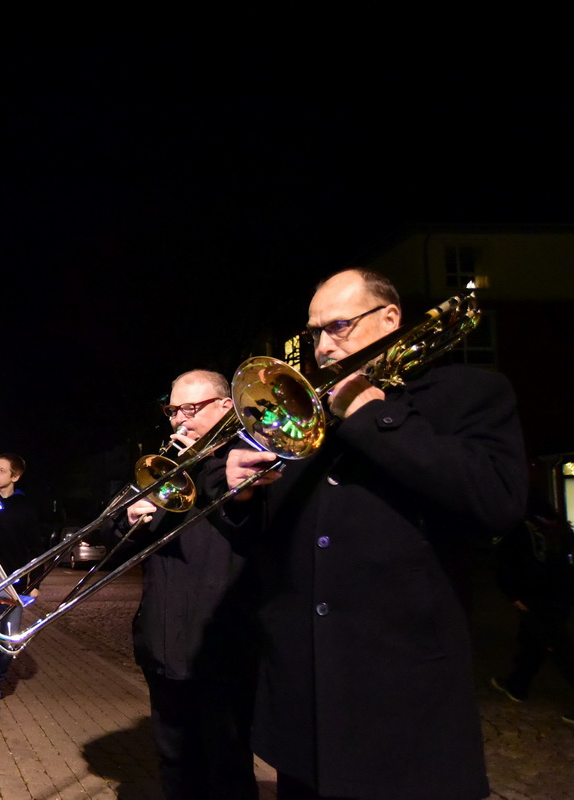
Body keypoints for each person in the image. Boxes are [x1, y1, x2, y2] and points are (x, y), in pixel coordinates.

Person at [225, 268, 528, 799]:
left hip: (402, 699)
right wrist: (245, 498)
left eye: (338, 326)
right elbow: (274, 542)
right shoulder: (305, 417)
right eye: (313, 333)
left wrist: (373, 414)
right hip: (304, 700)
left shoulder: (467, 392)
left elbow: (496, 501)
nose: (321, 346)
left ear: (389, 318)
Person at [122, 370, 258, 799]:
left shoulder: (248, 459)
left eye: (191, 409)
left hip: (221, 649)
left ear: (225, 406)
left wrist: (212, 467)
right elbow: (122, 548)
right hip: (162, 645)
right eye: (173, 410)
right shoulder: (170, 467)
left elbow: (254, 528)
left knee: (227, 770)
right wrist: (130, 520)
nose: (180, 420)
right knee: (175, 764)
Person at [490, 487, 574, 723]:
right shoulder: (558, 526)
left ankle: (517, 684)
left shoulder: (520, 528)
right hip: (559, 595)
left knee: (559, 647)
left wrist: (513, 594)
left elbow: (506, 562)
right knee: (532, 640)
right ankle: (517, 684)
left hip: (535, 597)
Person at [0, 453, 41, 722]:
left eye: (2, 471)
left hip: (16, 586)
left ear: (15, 476)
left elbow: (36, 549)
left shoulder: (25, 508)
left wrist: (35, 584)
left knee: (8, 644)